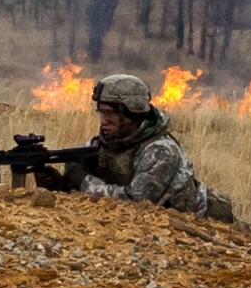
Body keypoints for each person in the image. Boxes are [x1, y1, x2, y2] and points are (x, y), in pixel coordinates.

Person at [37, 73, 231, 221]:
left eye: (110, 114)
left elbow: (135, 203)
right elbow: (93, 199)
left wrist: (83, 180)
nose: (104, 121)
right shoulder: (102, 143)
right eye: (101, 113)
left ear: (132, 112)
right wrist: (59, 184)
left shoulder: (160, 151)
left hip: (202, 224)